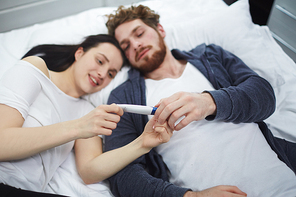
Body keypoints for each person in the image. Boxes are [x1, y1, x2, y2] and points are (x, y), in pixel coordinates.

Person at [104, 5, 296, 197]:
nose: (135, 45)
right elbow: (122, 175)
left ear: (160, 30)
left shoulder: (210, 56)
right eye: (126, 46)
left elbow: (264, 96)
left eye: (139, 33)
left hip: (282, 179)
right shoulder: (124, 98)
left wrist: (209, 102)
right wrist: (191, 196)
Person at [0, 34, 174, 196]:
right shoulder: (37, 69)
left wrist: (143, 143)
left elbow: (89, 172)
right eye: (99, 61)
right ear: (79, 53)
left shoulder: (87, 111)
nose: (102, 74)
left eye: (111, 73)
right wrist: (78, 127)